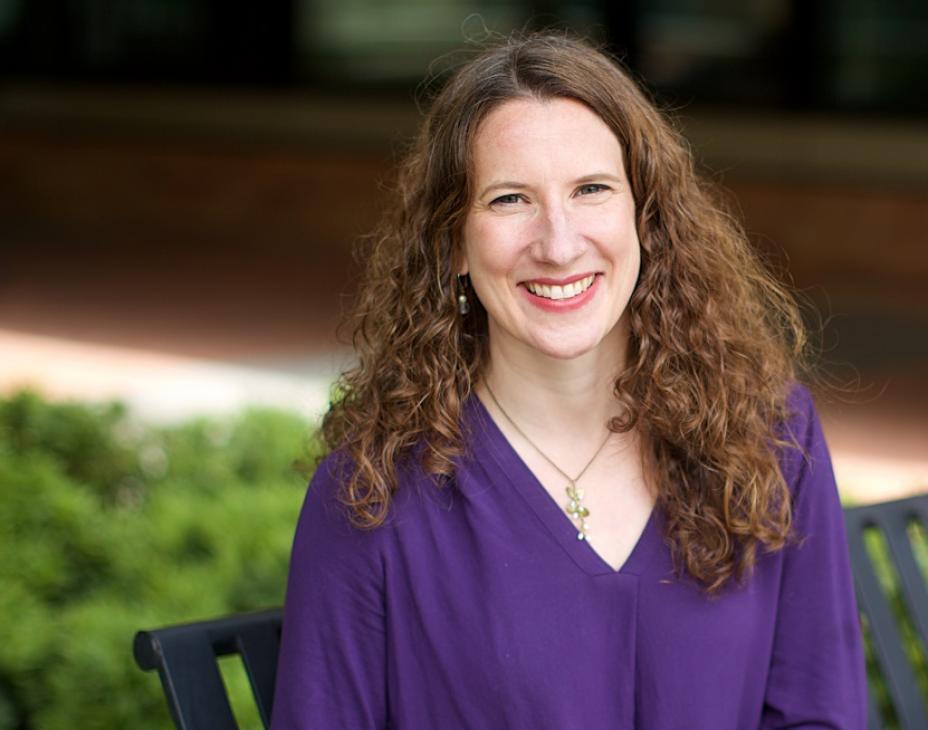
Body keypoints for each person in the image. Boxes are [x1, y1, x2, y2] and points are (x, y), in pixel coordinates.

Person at [271, 33, 867, 729]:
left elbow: (818, 714)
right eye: (509, 199)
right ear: (452, 243)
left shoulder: (769, 437)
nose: (557, 244)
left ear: (648, 220)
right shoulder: (374, 493)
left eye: (591, 190)